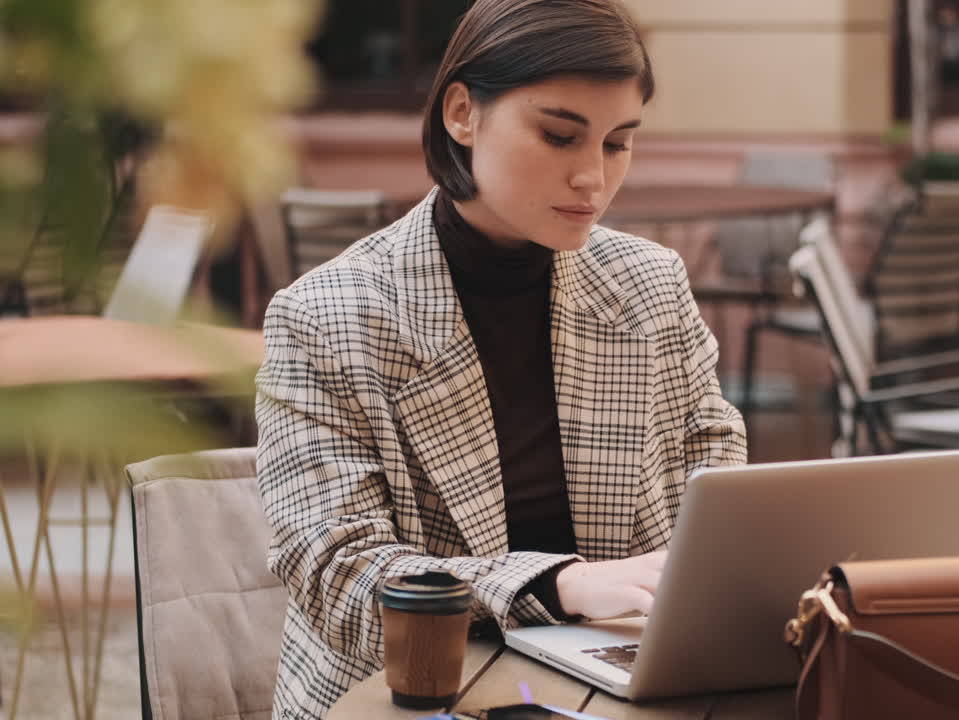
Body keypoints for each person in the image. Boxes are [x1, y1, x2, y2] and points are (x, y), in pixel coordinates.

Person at [254, 1, 748, 717]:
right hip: (412, 694)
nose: (593, 178)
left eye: (617, 143)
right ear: (462, 113)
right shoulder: (325, 317)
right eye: (559, 135)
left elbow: (714, 485)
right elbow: (341, 579)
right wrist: (558, 585)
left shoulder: (649, 284)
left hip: (621, 682)